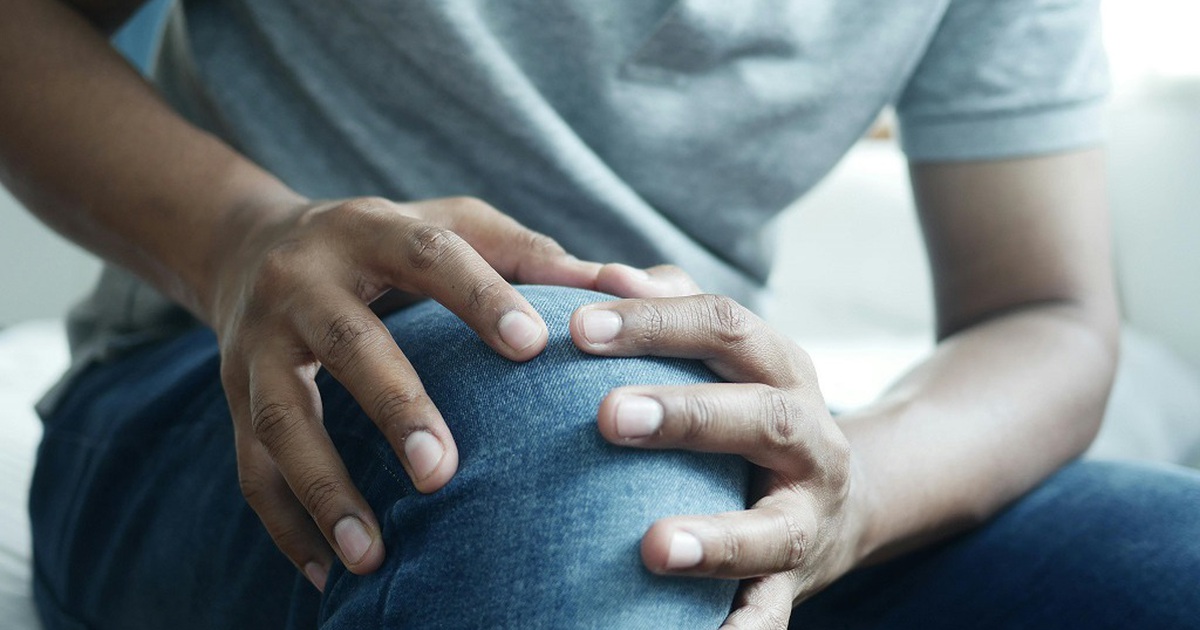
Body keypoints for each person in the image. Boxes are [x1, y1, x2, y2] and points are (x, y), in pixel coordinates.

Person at [3, 0, 1198, 628]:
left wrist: (844, 495)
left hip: (681, 476)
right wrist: (239, 238)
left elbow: (1044, 309)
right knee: (576, 422)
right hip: (236, 409)